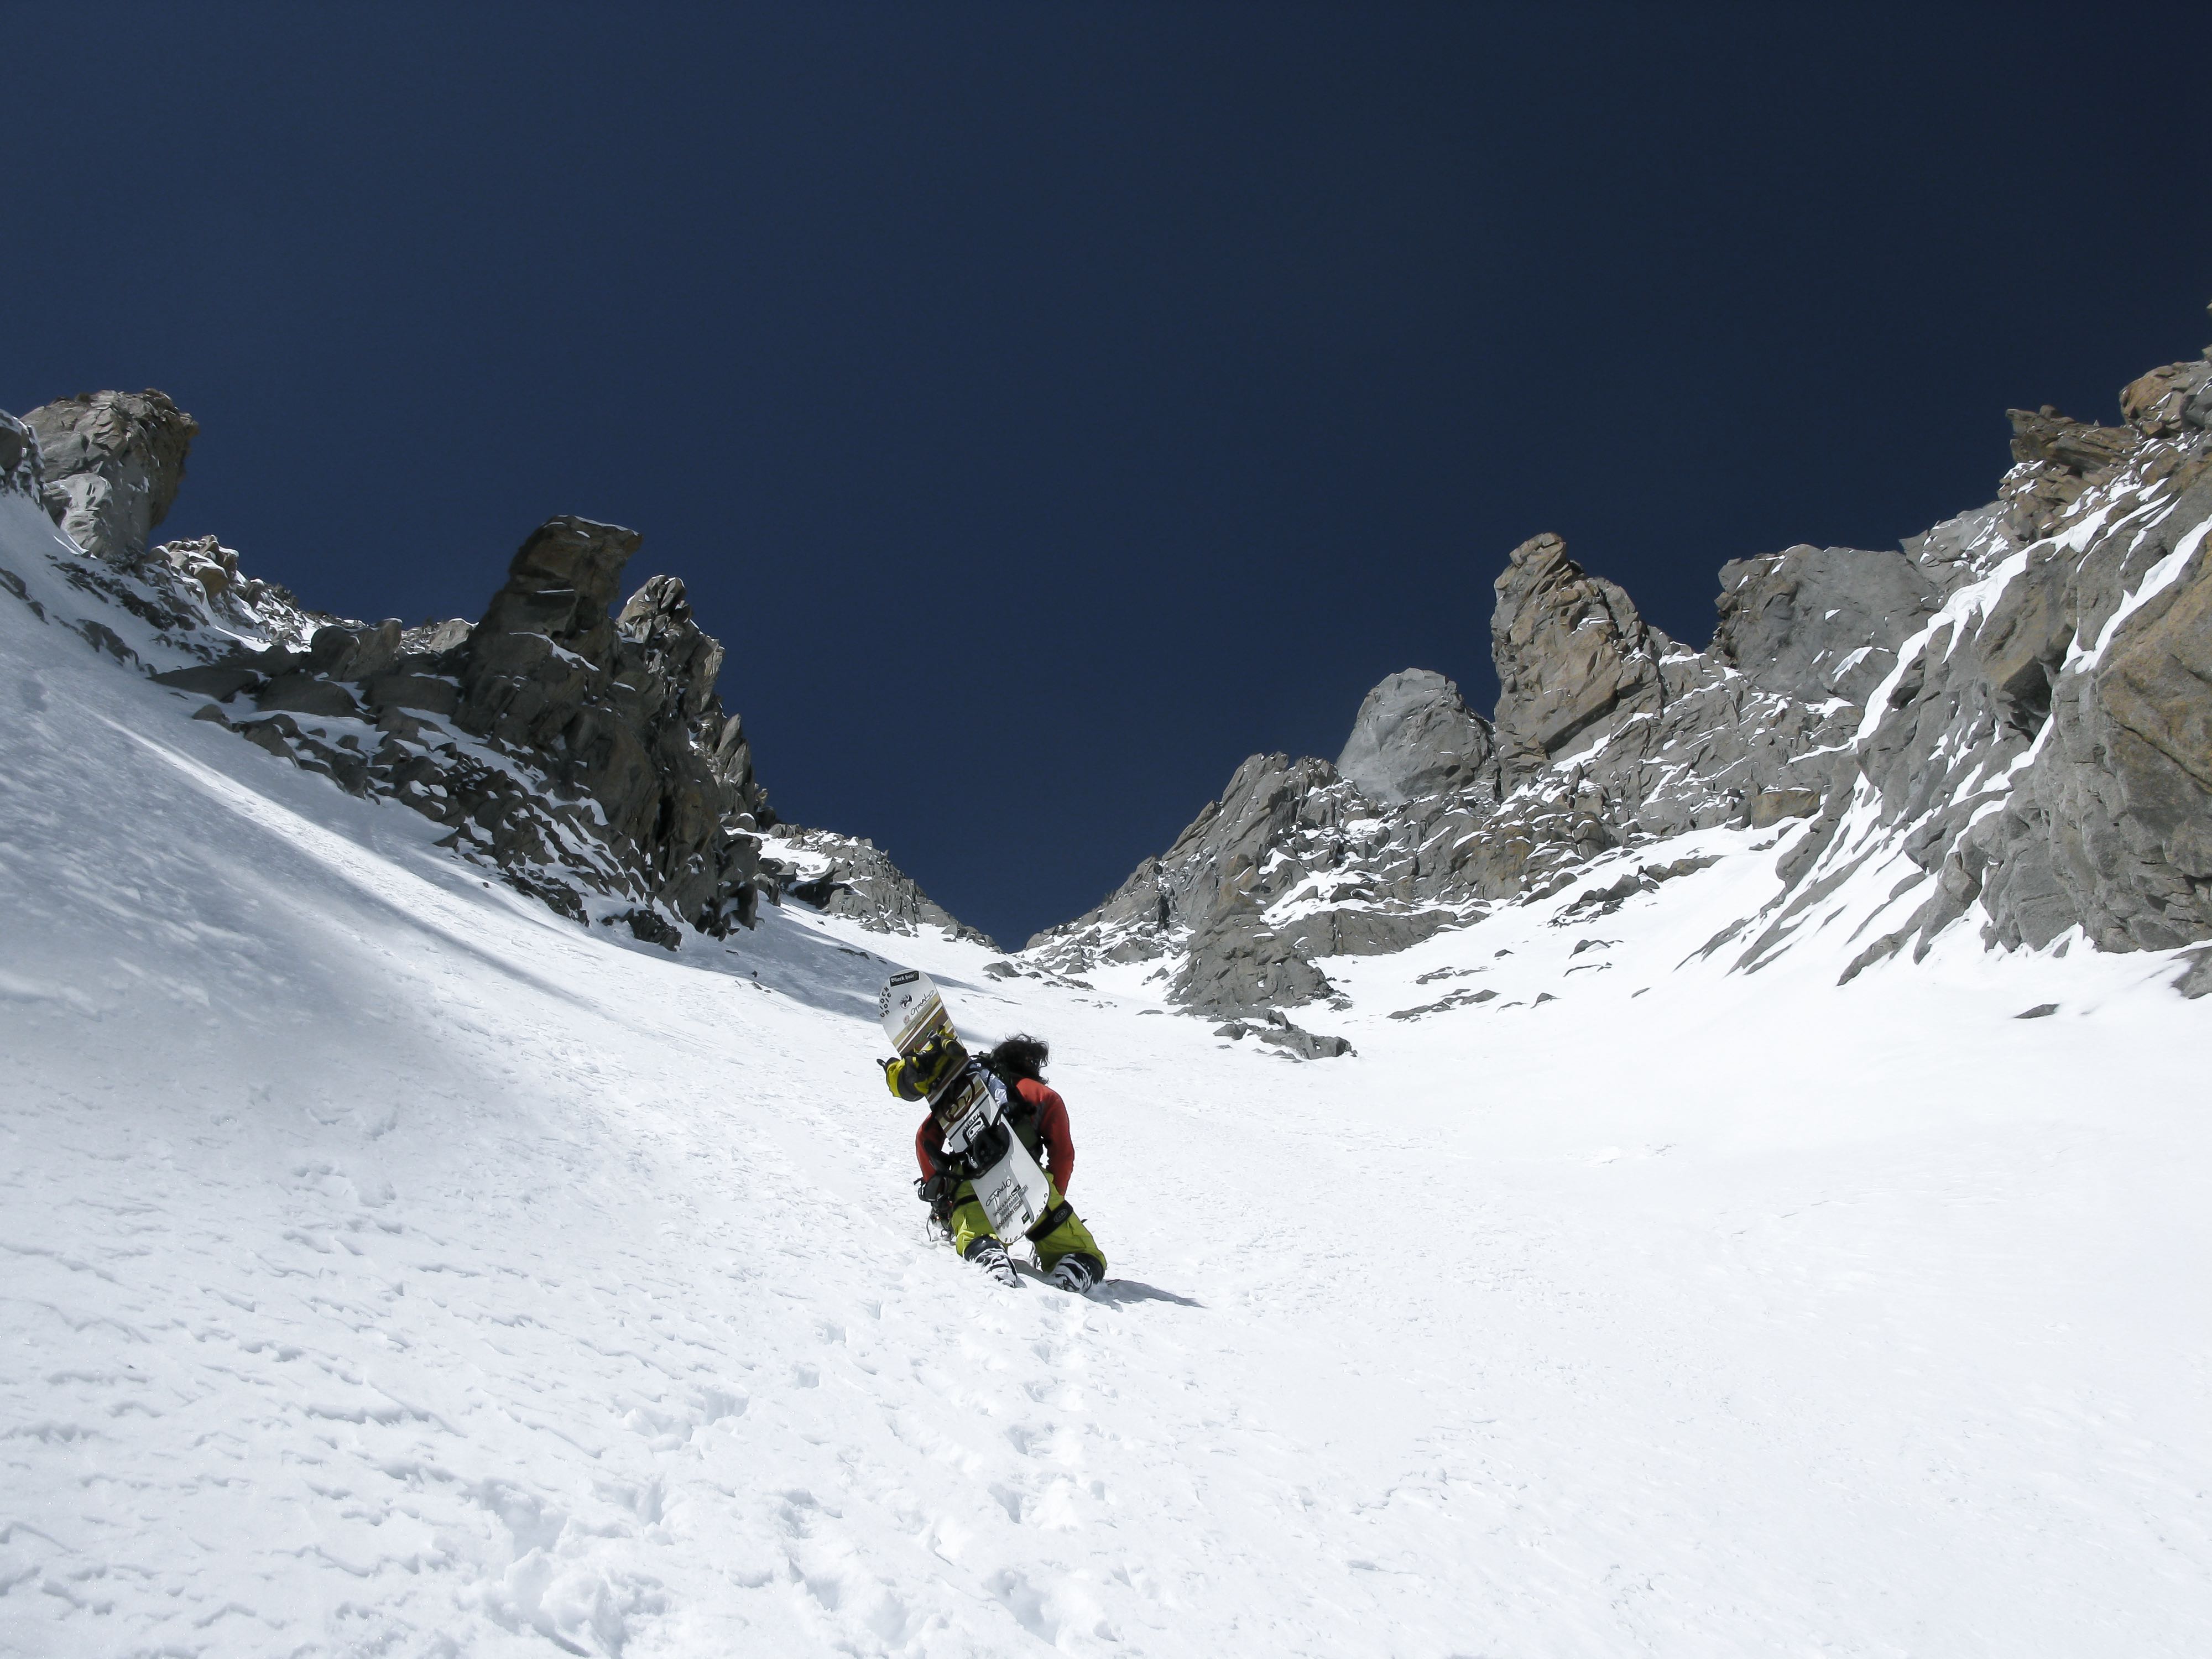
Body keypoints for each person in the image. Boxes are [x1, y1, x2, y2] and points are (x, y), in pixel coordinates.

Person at [883, 1031, 1107, 1293]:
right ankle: (1074, 1271)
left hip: (972, 1188)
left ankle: (990, 1256)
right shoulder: (1045, 1095)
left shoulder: (968, 1088)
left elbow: (925, 1139)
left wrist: (942, 1197)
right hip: (1029, 1183)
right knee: (1083, 1252)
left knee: (977, 1237)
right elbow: (1063, 1156)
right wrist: (1049, 1196)